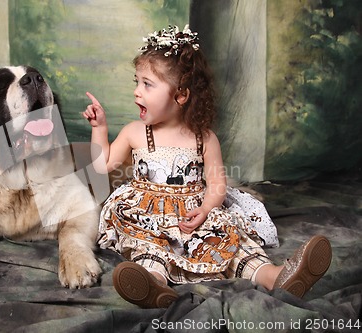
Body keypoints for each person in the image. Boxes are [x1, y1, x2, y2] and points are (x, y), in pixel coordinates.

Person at [82, 24, 332, 308]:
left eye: (147, 84)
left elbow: (217, 186)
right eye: (136, 81)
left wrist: (205, 210)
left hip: (194, 213)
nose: (137, 92)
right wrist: (99, 129)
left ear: (181, 95)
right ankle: (154, 283)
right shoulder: (134, 132)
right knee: (151, 245)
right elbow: (102, 165)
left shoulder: (205, 138)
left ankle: (275, 276)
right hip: (148, 215)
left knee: (229, 242)